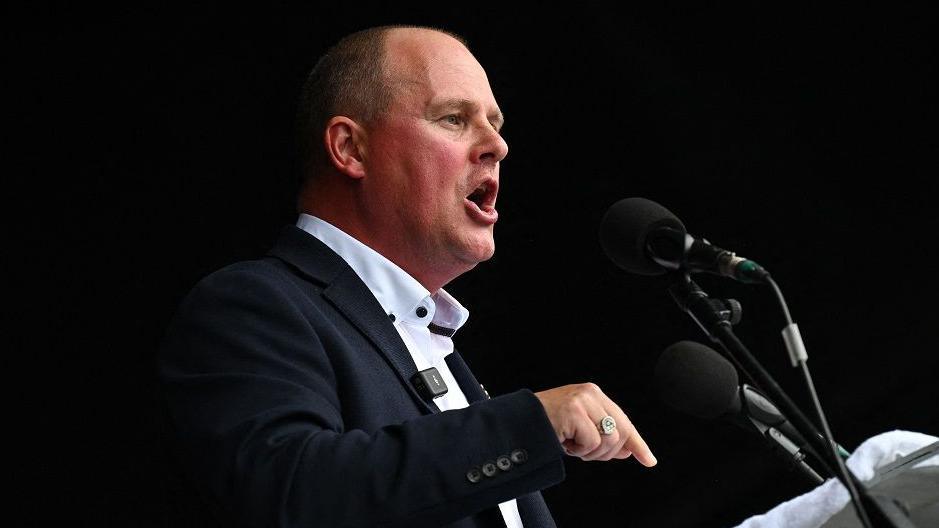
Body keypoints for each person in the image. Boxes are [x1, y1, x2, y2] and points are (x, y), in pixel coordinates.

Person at [159, 25, 656, 528]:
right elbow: (295, 494)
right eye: (454, 119)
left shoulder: (428, 342)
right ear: (350, 149)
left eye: (496, 123)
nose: (497, 146)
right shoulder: (253, 304)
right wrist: (530, 426)